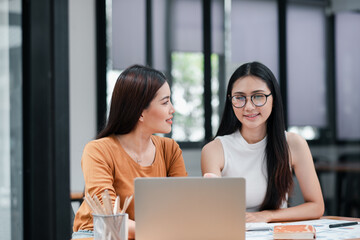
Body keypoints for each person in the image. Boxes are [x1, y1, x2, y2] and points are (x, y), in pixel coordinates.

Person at [72, 65, 188, 239]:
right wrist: (165, 229)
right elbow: (111, 221)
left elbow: (182, 209)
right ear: (140, 112)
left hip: (151, 234)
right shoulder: (97, 150)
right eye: (165, 102)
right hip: (98, 234)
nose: (172, 109)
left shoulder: (170, 149)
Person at [201, 61, 324, 223]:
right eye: (240, 98)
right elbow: (213, 210)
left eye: (258, 96)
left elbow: (316, 206)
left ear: (273, 98)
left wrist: (267, 216)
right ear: (230, 101)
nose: (249, 107)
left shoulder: (294, 143)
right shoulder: (214, 150)